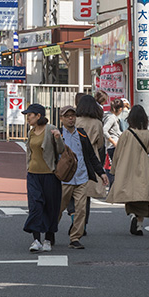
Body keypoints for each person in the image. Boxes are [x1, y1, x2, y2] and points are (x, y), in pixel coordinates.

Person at [107, 104, 149, 235]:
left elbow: (117, 154)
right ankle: (139, 224)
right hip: (144, 169)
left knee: (130, 195)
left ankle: (133, 215)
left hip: (127, 168)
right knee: (144, 197)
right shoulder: (148, 135)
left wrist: (114, 170)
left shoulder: (126, 134)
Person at [56, 106, 107, 249]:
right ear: (61, 119)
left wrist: (101, 173)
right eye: (67, 116)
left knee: (81, 209)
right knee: (58, 208)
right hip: (64, 179)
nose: (71, 118)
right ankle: (50, 231)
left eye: (73, 115)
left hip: (81, 177)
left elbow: (91, 155)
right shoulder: (58, 135)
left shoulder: (82, 135)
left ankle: (75, 238)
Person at [22, 103, 64, 252]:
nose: (28, 118)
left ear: (38, 116)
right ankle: (35, 240)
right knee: (35, 206)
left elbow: (61, 150)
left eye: (30, 115)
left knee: (50, 207)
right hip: (33, 174)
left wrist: (58, 138)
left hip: (49, 175)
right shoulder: (31, 132)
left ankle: (48, 239)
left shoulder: (51, 129)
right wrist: (28, 167)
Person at [102, 97, 126, 185]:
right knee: (117, 170)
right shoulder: (111, 118)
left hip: (113, 145)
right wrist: (114, 142)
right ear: (120, 109)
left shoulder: (109, 116)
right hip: (113, 146)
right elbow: (104, 130)